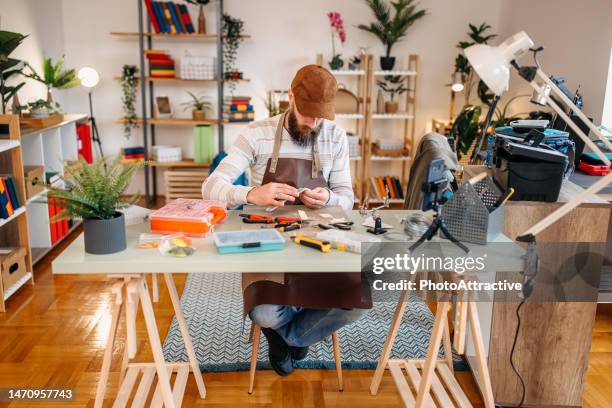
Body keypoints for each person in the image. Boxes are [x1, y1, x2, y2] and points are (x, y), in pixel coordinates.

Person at [202, 65, 371, 376]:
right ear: (290, 97)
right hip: (267, 244)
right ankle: (291, 331)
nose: (315, 121)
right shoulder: (256, 134)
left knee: (355, 300)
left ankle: (288, 338)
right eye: (309, 112)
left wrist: (330, 199)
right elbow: (211, 187)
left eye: (322, 114)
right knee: (265, 314)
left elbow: (347, 196)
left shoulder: (335, 137)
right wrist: (253, 194)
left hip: (321, 240)